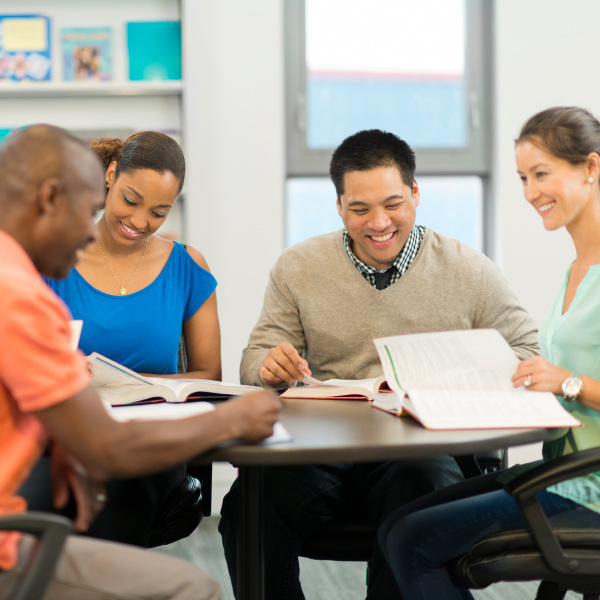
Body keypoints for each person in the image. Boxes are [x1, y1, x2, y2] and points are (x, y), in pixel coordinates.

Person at [218, 128, 540, 599]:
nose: (379, 222)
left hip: (418, 451)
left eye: (393, 204)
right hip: (323, 452)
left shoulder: (470, 270)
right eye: (360, 209)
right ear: (338, 206)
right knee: (249, 504)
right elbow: (254, 359)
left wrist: (465, 371)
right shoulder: (298, 266)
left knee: (427, 488)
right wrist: (268, 365)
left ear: (415, 193)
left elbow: (528, 356)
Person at [0, 123, 280, 600]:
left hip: (55, 466)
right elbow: (106, 448)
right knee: (195, 589)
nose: (92, 230)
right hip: (16, 523)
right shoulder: (21, 296)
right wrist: (232, 419)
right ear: (50, 199)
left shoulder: (12, 275)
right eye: (90, 211)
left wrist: (71, 447)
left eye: (159, 211)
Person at [377, 106, 600, 600]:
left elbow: (572, 379)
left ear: (591, 167)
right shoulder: (577, 268)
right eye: (523, 178)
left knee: (415, 541)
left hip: (590, 488)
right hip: (560, 469)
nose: (530, 193)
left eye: (542, 174)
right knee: (397, 524)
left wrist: (567, 382)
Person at [36, 131, 220, 547]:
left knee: (119, 493)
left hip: (151, 442)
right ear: (111, 175)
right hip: (70, 437)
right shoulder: (52, 258)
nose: (140, 222)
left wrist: (134, 385)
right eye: (131, 201)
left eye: (159, 211)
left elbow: (209, 374)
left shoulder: (186, 266)